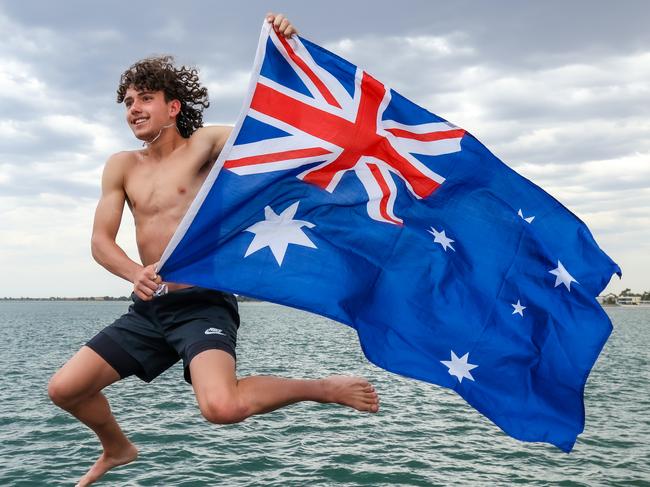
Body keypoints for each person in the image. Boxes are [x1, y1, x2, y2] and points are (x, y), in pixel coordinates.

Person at [47, 13, 380, 487]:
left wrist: (290, 51)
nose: (133, 109)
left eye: (145, 99)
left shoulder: (205, 144)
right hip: (149, 307)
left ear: (173, 106)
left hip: (202, 302)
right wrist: (132, 272)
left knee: (221, 408)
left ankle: (322, 388)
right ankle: (117, 448)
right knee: (65, 389)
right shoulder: (121, 166)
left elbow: (277, 131)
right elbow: (101, 242)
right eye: (127, 103)